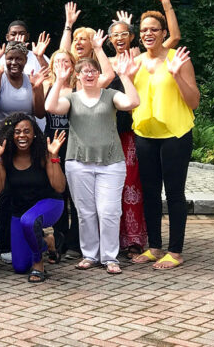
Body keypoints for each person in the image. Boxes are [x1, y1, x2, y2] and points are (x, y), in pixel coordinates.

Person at [45, 53, 140, 274]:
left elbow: (132, 102)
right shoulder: (71, 98)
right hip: (78, 163)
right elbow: (50, 107)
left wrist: (125, 76)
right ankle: (90, 255)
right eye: (84, 71)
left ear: (99, 74)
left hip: (111, 163)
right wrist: (59, 80)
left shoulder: (111, 95)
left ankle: (109, 257)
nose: (89, 74)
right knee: (86, 212)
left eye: (93, 70)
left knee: (109, 211)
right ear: (77, 75)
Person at [131, 0, 197, 270]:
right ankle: (155, 246)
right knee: (149, 191)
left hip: (175, 135)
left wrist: (175, 76)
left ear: (162, 33)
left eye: (153, 29)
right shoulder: (135, 62)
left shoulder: (176, 59)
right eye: (144, 30)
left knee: (174, 193)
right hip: (145, 134)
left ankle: (176, 251)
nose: (148, 33)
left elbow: (193, 101)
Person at [0, 41, 48, 264]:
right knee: (6, 194)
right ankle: (4, 245)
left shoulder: (31, 80)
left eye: (19, 58)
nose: (14, 62)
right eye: (10, 58)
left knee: (29, 189)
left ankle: (38, 238)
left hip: (26, 140)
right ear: (4, 59)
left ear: (25, 59)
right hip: (1, 142)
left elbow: (39, 111)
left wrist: (38, 89)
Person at [0, 113, 67, 282]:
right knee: (21, 266)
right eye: (17, 132)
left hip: (50, 204)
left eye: (26, 131)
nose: (22, 135)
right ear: (11, 135)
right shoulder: (6, 157)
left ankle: (39, 265)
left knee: (29, 221)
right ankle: (49, 242)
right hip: (20, 211)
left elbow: (60, 187)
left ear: (34, 134)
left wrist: (54, 156)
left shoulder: (43, 154)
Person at [107, 13, 146, 255]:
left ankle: (133, 240)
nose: (119, 38)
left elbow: (172, 40)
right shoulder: (106, 61)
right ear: (109, 39)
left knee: (132, 185)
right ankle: (111, 239)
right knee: (112, 186)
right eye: (115, 35)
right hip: (109, 131)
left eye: (124, 33)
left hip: (132, 130)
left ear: (132, 36)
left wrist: (166, 5)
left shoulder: (140, 58)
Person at [43, 50, 81, 260]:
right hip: (53, 147)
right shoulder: (48, 85)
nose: (61, 64)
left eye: (66, 61)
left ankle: (74, 243)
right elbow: (42, 110)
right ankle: (58, 240)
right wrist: (57, 81)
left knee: (75, 197)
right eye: (57, 61)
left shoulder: (79, 86)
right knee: (57, 194)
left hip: (75, 146)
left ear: (73, 64)